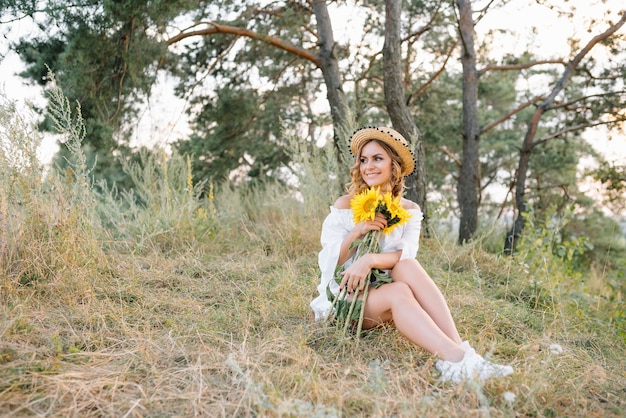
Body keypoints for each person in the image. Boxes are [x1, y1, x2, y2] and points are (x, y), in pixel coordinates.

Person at [310, 126, 513, 384]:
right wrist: (356, 232)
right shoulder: (345, 205)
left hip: (381, 297)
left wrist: (369, 259)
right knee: (399, 291)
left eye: (377, 158)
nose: (368, 166)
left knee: (408, 266)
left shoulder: (409, 210)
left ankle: (463, 355)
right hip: (345, 299)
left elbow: (406, 255)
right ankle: (456, 360)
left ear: (394, 165)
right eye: (363, 160)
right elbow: (331, 263)